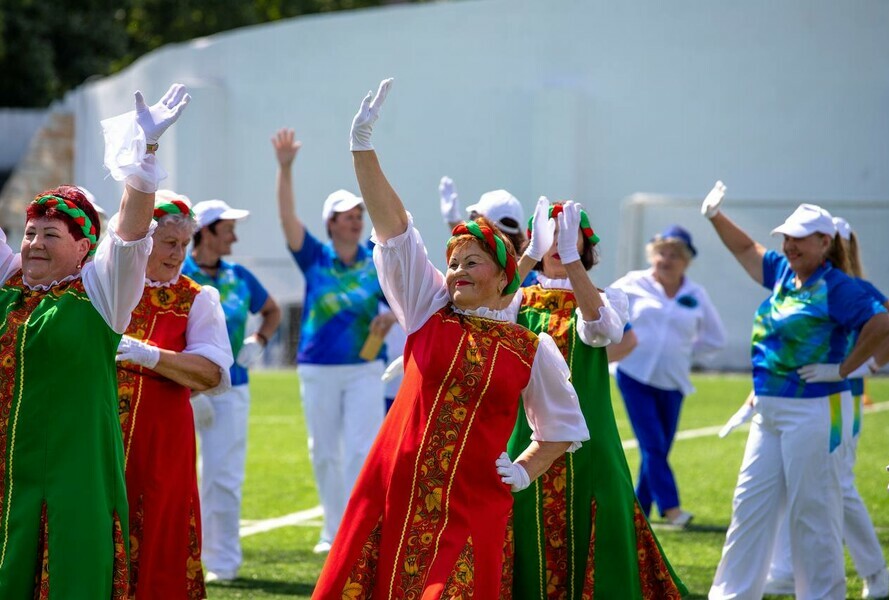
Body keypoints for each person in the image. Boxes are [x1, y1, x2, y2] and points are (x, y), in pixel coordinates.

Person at [311, 78, 589, 599]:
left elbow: (562, 427)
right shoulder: (426, 311)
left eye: (471, 262)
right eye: (453, 262)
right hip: (397, 488)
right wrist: (362, 149)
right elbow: (394, 229)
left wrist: (525, 471)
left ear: (503, 276)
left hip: (473, 504)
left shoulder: (530, 349)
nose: (457, 271)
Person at [0, 83, 189, 597]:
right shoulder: (10, 286)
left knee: (71, 574)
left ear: (84, 247)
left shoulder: (101, 292)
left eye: (50, 235)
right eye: (30, 233)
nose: (34, 244)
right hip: (7, 473)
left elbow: (130, 233)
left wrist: (143, 157)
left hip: (73, 475)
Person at [701, 183, 889, 599]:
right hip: (769, 412)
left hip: (814, 411)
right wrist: (715, 216)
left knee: (814, 514)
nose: (788, 245)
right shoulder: (783, 272)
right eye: (785, 237)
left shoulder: (838, 285)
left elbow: (884, 323)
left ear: (825, 242)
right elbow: (745, 250)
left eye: (798, 237)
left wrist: (845, 368)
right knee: (749, 508)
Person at [507, 197, 687, 598]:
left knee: (602, 511)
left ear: (586, 247)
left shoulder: (609, 298)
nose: (557, 244)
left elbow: (602, 331)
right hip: (525, 429)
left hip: (590, 435)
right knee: (522, 514)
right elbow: (489, 307)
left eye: (568, 237)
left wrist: (571, 262)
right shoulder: (518, 298)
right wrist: (528, 254)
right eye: (549, 237)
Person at [763, 214, 889, 598]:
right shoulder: (804, 284)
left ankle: (874, 571)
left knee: (838, 485)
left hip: (839, 400)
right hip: (810, 399)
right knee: (803, 485)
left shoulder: (851, 286)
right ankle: (788, 569)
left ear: (830, 244)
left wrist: (867, 365)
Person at [271, 127, 394, 554]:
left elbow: (401, 300)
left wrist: (390, 319)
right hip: (318, 366)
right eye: (348, 215)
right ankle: (332, 528)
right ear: (331, 223)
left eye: (360, 214)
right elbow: (288, 220)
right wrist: (286, 169)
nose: (357, 219)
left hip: (365, 368)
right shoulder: (314, 257)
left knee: (362, 450)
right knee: (323, 451)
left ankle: (360, 526)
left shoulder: (374, 260)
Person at [115, 190, 233, 597]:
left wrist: (151, 356)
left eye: (184, 244)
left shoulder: (196, 299)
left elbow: (212, 375)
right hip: (100, 440)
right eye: (169, 243)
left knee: (161, 529)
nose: (178, 253)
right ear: (142, 241)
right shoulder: (107, 286)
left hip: (162, 444)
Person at [183, 199, 282, 582]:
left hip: (232, 389)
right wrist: (192, 391)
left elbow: (272, 310)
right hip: (180, 389)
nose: (235, 236)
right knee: (173, 478)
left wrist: (259, 337)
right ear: (205, 231)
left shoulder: (240, 275)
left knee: (224, 477)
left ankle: (222, 563)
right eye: (228, 229)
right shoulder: (180, 272)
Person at [610, 223, 726, 527]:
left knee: (660, 447)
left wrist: (684, 352)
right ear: (652, 254)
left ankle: (639, 512)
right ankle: (672, 509)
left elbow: (715, 338)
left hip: (673, 381)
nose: (667, 259)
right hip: (634, 375)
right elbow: (606, 310)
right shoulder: (633, 284)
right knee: (652, 445)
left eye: (675, 254)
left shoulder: (696, 293)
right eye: (662, 252)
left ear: (686, 261)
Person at [439, 176, 538, 287]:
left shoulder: (495, 277)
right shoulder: (535, 277)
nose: (470, 226)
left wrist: (453, 221)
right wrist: (453, 221)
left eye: (474, 217)